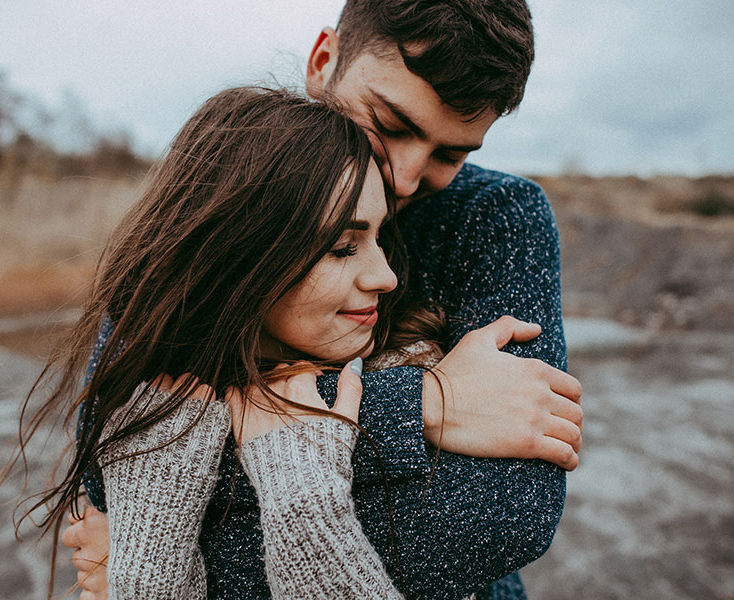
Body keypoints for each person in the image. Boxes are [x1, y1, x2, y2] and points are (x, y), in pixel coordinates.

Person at [65, 1, 584, 599]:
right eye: (390, 123)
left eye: (451, 153)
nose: (407, 177)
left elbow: (499, 517)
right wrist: (425, 404)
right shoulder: (239, 175)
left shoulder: (494, 217)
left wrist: (146, 552)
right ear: (322, 61)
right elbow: (112, 445)